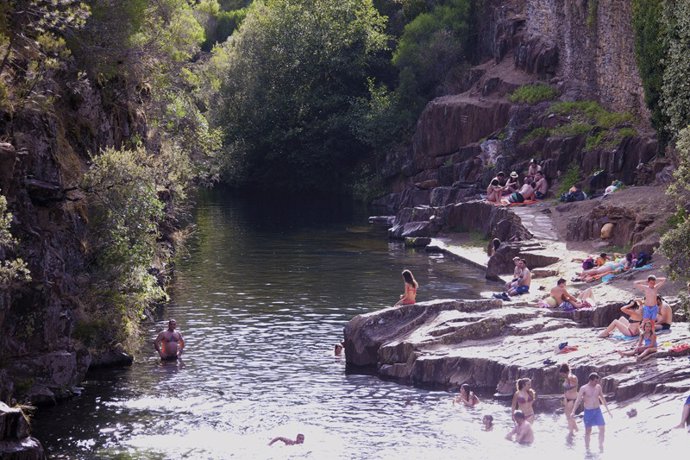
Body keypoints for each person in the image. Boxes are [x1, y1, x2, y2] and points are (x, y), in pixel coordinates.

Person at [570, 372, 610, 453]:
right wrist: (573, 411)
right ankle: (587, 449)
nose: (597, 383)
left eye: (597, 381)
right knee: (588, 431)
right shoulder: (583, 388)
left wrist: (608, 410)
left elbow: (602, 398)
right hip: (588, 411)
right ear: (590, 380)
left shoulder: (598, 387)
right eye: (595, 381)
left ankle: (600, 446)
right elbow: (578, 401)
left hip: (597, 411)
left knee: (602, 428)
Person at [559, 363, 579, 435]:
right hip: (566, 398)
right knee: (567, 415)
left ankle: (571, 433)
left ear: (567, 372)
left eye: (563, 374)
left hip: (573, 399)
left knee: (569, 416)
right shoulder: (566, 378)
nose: (562, 376)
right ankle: (576, 429)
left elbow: (570, 377)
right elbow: (566, 389)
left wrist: (568, 376)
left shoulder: (573, 377)